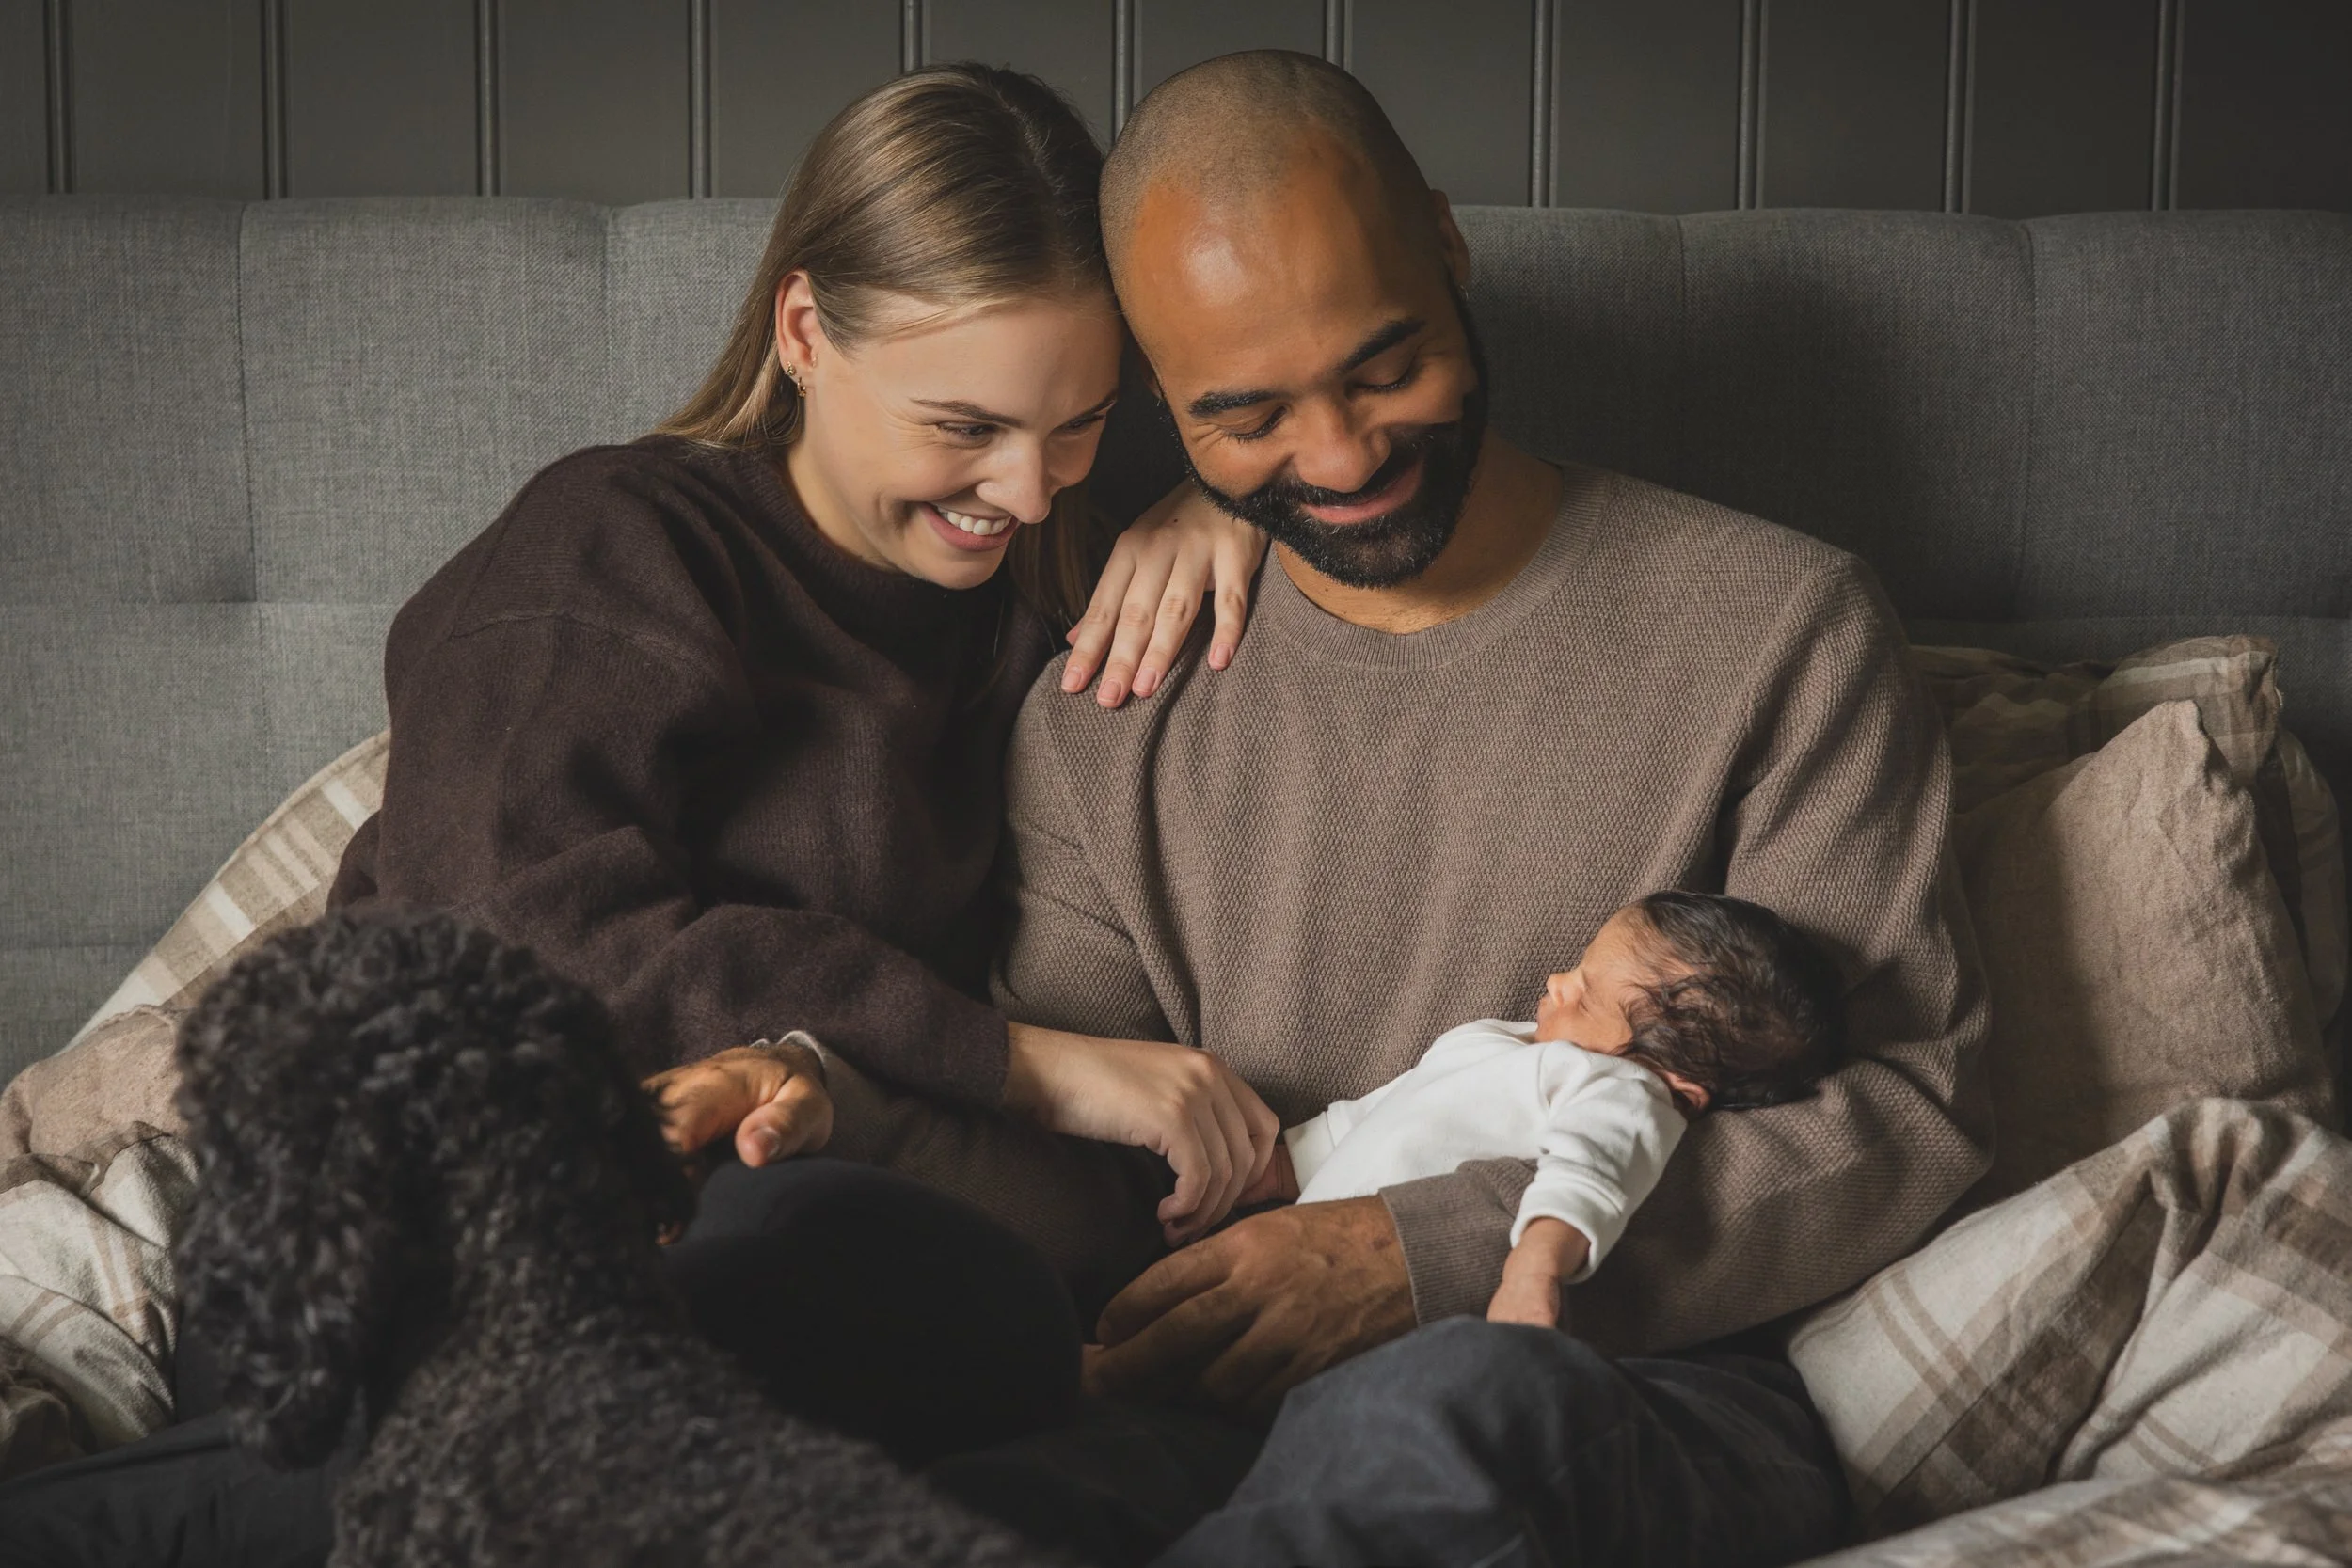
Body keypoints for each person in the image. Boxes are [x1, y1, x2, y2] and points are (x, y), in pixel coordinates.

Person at [0, 62, 1276, 1566]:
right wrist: (1020, 1066)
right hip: (434, 1206)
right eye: (967, 426)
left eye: (1082, 425)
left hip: (761, 1205)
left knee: (963, 1307)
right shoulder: (622, 539)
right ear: (806, 331)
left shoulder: (1022, 602)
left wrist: (1228, 495)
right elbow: (515, 931)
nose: (1030, 487)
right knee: (743, 1292)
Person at [969, 48, 1990, 1566]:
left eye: (1384, 368)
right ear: (1155, 397)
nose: (1342, 457)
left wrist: (1428, 1254)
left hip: (1634, 1386)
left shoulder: (1782, 625)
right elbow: (1074, 1155)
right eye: (1245, 417)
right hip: (1205, 1414)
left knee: (1449, 1408)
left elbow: (1908, 1110)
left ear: (1448, 246)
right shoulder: (1102, 723)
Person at [1240, 891, 1844, 1329]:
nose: (1557, 982)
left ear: (1677, 1083)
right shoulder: (1498, 1040)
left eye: (1584, 993)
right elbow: (1373, 1118)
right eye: (1576, 970)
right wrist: (1270, 1170)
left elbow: (1588, 1176)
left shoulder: (1622, 1089)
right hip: (1289, 1253)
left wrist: (1533, 1271)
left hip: (1392, 1312)